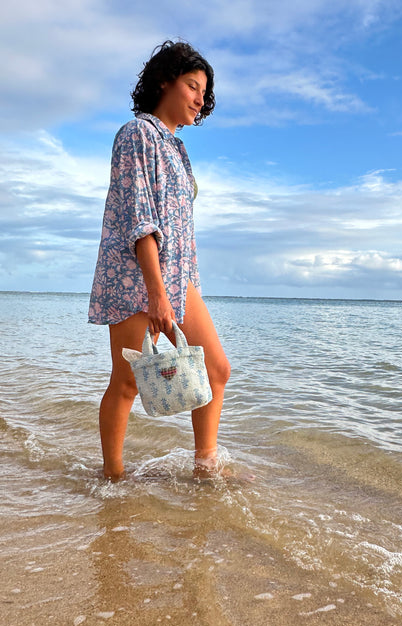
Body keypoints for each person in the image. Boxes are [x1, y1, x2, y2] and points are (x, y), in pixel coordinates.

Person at [88, 40, 230, 481]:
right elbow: (141, 219)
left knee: (216, 369)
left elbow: (180, 229)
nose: (199, 100)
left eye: (203, 93)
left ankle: (205, 469)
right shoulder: (137, 134)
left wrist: (180, 286)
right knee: (128, 381)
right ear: (164, 81)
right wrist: (156, 293)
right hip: (135, 274)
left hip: (178, 275)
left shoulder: (178, 149)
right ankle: (114, 477)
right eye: (192, 86)